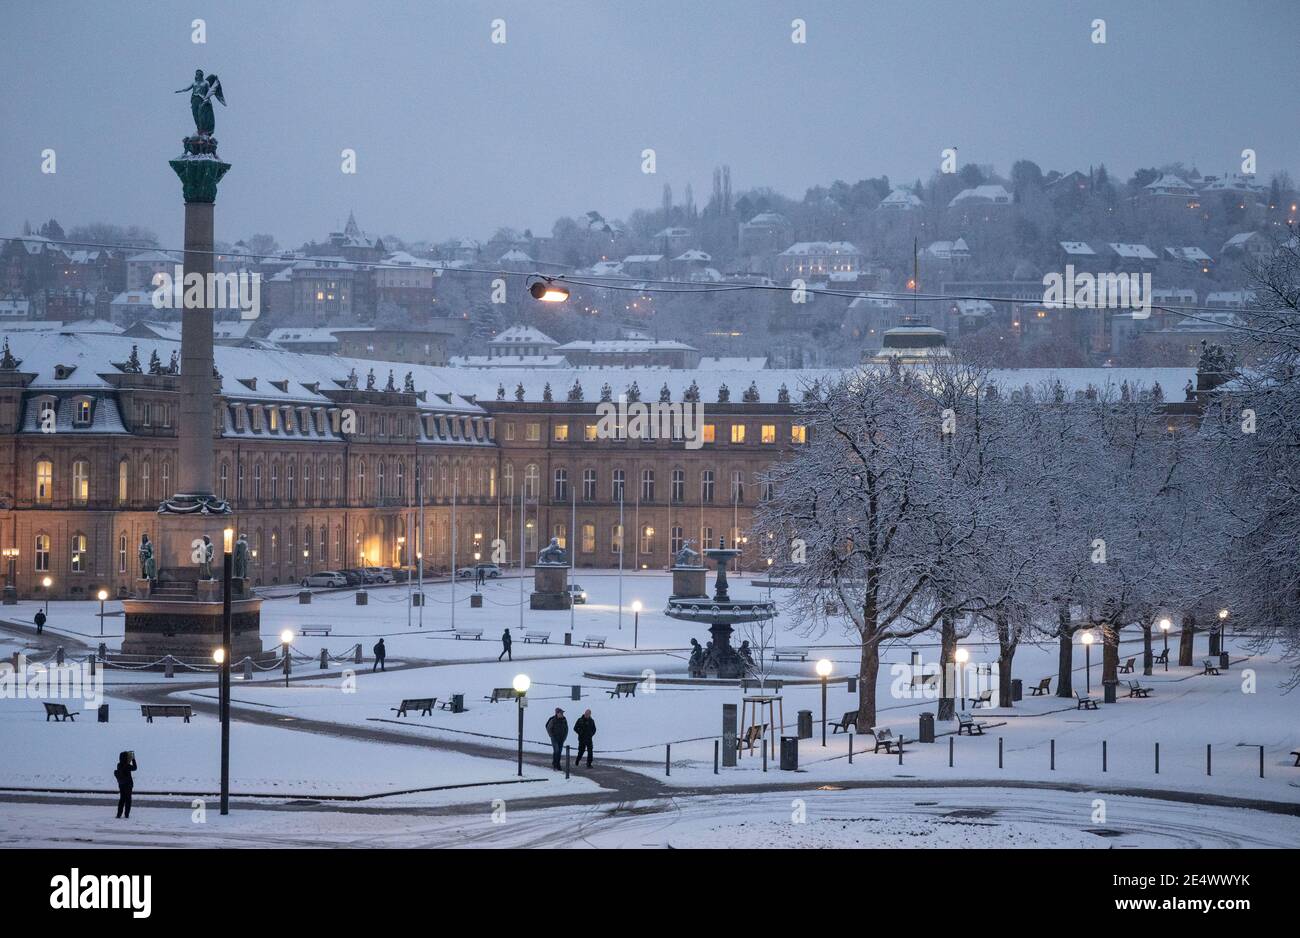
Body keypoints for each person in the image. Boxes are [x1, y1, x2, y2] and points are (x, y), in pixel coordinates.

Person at [114, 751, 137, 819]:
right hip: (128, 785)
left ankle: (119, 814)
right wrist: (133, 759)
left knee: (122, 799)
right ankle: (126, 815)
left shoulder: (119, 765)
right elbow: (135, 768)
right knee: (128, 800)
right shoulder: (127, 765)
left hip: (121, 785)